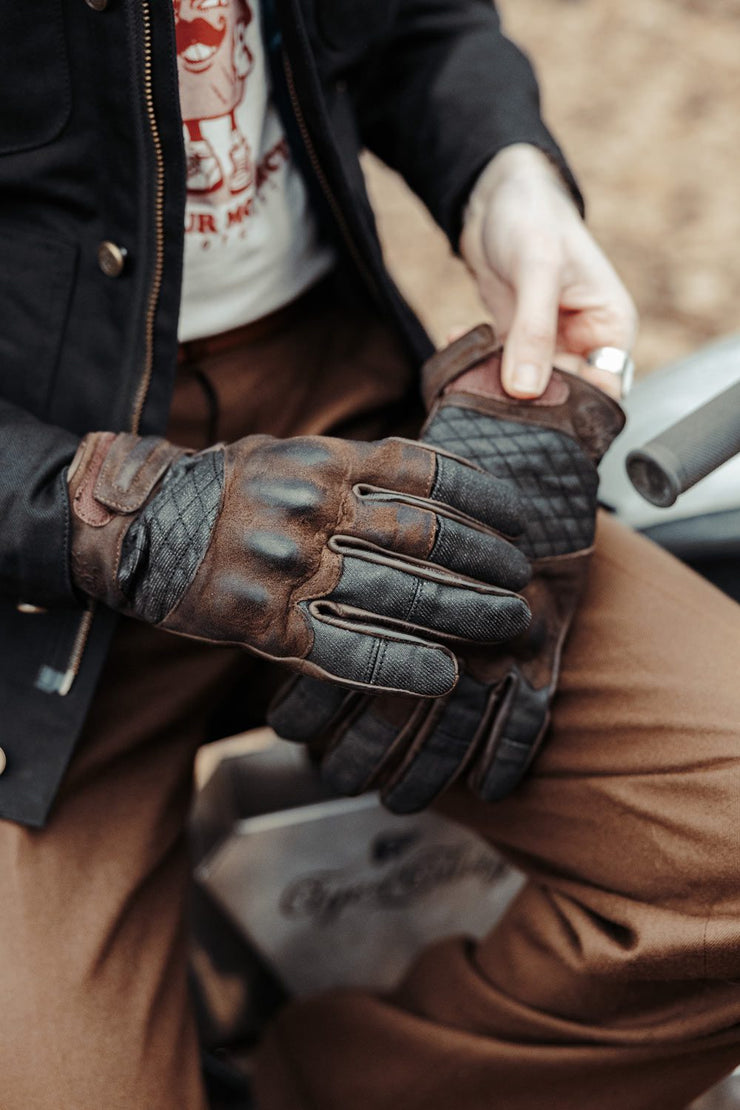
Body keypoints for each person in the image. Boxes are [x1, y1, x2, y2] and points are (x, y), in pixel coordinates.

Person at [0, 2, 738, 1109]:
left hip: (343, 426)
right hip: (30, 559)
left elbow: (416, 25)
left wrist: (505, 179)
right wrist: (115, 519)